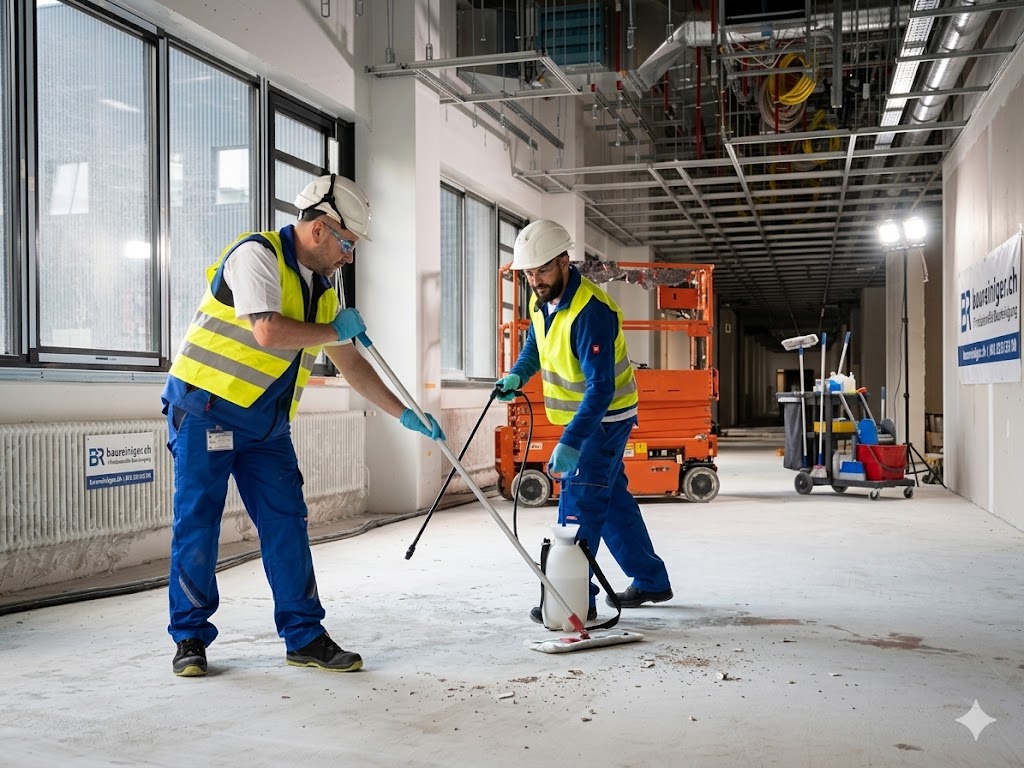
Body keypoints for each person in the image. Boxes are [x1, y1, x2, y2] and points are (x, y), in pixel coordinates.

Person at [161, 174, 444, 677]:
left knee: (287, 523)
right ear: (319, 229)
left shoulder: (322, 288)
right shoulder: (256, 256)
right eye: (347, 243)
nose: (349, 256)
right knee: (198, 524)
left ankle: (304, 635)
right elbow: (267, 331)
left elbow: (350, 362)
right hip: (207, 410)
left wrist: (404, 413)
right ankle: (190, 639)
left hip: (266, 425)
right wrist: (334, 330)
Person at [494, 219, 672, 624]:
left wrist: (572, 440)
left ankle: (575, 600)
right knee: (611, 504)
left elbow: (601, 389)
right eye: (528, 273)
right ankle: (650, 578)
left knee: (577, 508)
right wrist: (518, 376)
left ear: (563, 262)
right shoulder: (542, 300)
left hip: (602, 420)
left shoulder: (591, 312)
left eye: (541, 270)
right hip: (583, 421)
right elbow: (535, 347)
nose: (534, 280)